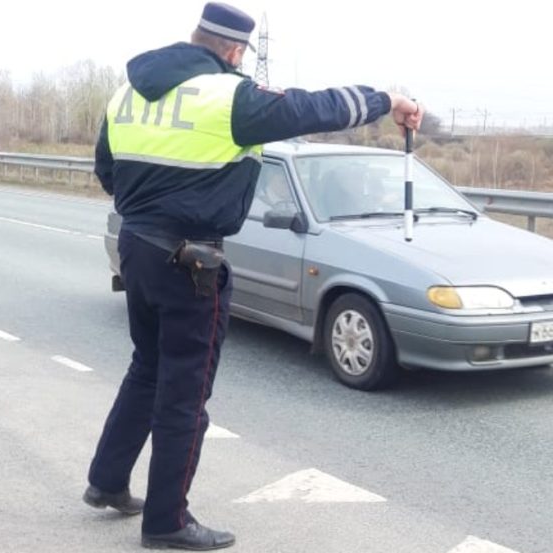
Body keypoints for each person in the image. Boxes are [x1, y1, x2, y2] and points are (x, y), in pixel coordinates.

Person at [83, 3, 423, 550]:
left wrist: (151, 204)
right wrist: (388, 100)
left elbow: (106, 170)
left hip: (136, 245)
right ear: (235, 50)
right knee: (184, 392)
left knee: (147, 368)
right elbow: (317, 108)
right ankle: (167, 520)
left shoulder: (125, 95)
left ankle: (106, 482)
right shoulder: (229, 97)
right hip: (190, 260)